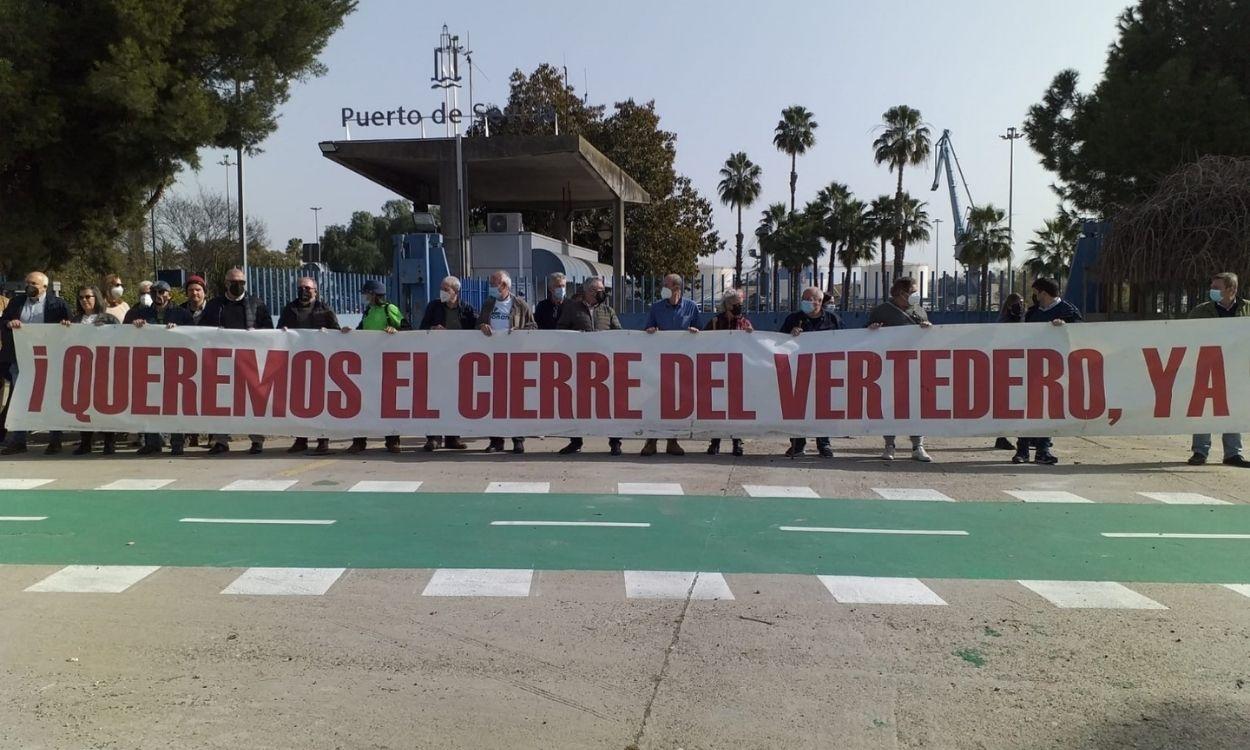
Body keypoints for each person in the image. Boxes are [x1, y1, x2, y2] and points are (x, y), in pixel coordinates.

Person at [199, 267, 273, 455]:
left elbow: (269, 330)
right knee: (220, 402)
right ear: (226, 283)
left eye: (241, 282)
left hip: (250, 363)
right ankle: (221, 441)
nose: (238, 286)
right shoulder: (215, 305)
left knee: (252, 402)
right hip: (220, 363)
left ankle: (257, 440)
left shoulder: (257, 304)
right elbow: (201, 330)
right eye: (234, 282)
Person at [1012, 277, 1083, 466]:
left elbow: (1082, 334)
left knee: (1048, 411)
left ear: (1043, 293)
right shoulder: (1033, 313)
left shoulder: (1068, 312)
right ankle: (1023, 450)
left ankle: (1043, 450)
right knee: (1026, 410)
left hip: (1056, 371)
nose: (1034, 296)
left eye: (1036, 292)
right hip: (1033, 368)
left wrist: (1065, 327)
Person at [1, 271, 71, 455]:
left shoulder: (58, 305)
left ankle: (55, 440)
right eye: (27, 282)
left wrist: (65, 324)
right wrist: (9, 323)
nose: (28, 286)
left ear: (45, 288)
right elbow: (4, 321)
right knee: (20, 399)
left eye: (33, 283)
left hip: (50, 360)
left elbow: (71, 327)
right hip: (21, 359)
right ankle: (18, 440)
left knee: (51, 399)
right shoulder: (16, 302)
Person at [1186, 272, 1250, 467]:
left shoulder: (1247, 309)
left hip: (1238, 367)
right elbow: (1184, 336)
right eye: (1212, 287)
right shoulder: (1200, 312)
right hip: (1206, 365)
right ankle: (1200, 451)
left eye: (1217, 288)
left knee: (1233, 408)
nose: (1212, 291)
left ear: (1232, 290)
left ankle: (1233, 454)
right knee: (1203, 407)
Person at [867, 277, 933, 462]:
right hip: (888, 367)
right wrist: (872, 329)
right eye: (912, 291)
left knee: (916, 405)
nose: (916, 295)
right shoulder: (881, 311)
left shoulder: (919, 310)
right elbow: (865, 336)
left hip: (914, 366)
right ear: (900, 293)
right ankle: (890, 444)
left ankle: (917, 445)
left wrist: (927, 329)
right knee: (889, 405)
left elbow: (927, 338)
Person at [556, 276, 624, 456]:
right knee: (577, 404)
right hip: (579, 365)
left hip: (604, 365)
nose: (602, 292)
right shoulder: (572, 309)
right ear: (589, 292)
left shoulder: (608, 310)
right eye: (598, 290)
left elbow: (619, 333)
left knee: (609, 404)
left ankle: (615, 441)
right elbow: (561, 330)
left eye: (602, 289)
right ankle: (575, 441)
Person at [125, 282, 194, 455]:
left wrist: (180, 331)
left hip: (175, 365)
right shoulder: (140, 313)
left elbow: (194, 335)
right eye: (154, 292)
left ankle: (177, 442)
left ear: (170, 294)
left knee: (175, 405)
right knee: (149, 404)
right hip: (149, 364)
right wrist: (135, 326)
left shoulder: (182, 314)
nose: (158, 295)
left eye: (162, 291)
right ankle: (152, 442)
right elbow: (124, 332)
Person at [278, 277, 344, 455]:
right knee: (299, 403)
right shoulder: (290, 309)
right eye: (300, 288)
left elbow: (336, 332)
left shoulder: (325, 309)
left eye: (307, 288)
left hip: (320, 364)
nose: (304, 291)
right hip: (296, 363)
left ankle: (323, 441)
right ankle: (301, 439)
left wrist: (330, 333)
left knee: (320, 403)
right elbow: (278, 331)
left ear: (315, 290)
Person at [779, 286, 843, 458]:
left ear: (819, 302)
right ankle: (797, 444)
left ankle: (824, 444)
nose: (805, 301)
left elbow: (847, 341)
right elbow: (778, 342)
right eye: (804, 298)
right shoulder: (793, 319)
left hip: (825, 372)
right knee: (798, 409)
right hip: (799, 372)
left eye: (809, 298)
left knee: (823, 409)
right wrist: (789, 336)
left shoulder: (833, 320)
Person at [642, 273, 700, 456]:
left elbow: (702, 333)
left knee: (675, 403)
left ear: (677, 288)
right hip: (659, 364)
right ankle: (651, 441)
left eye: (666, 284)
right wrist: (651, 331)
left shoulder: (691, 308)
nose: (663, 287)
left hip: (682, 364)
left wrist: (695, 332)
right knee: (654, 401)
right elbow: (648, 329)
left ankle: (672, 441)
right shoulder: (657, 308)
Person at [478, 270, 537, 454]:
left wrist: (519, 330)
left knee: (515, 400)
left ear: (504, 285)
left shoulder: (520, 305)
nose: (491, 286)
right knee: (495, 401)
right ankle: (496, 440)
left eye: (494, 283)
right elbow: (477, 324)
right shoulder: (488, 304)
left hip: (515, 359)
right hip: (492, 359)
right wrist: (482, 326)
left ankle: (518, 439)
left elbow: (533, 326)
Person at [347, 279, 408, 454]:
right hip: (368, 362)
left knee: (387, 402)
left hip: (387, 363)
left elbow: (407, 328)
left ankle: (392, 440)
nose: (364, 297)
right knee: (362, 402)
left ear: (374, 295)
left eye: (366, 293)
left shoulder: (390, 309)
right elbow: (361, 330)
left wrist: (395, 331)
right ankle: (359, 440)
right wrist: (348, 333)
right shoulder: (368, 311)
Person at [418, 276, 477, 451]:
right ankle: (433, 437)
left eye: (446, 289)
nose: (442, 292)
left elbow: (474, 332)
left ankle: (453, 437)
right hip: (436, 360)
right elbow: (422, 328)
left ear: (455, 292)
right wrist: (432, 330)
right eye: (441, 288)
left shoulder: (466, 309)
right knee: (434, 398)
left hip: (458, 362)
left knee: (454, 399)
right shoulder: (434, 307)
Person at [60, 286, 121, 455]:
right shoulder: (75, 319)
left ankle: (109, 442)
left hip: (105, 369)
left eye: (88, 296)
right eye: (81, 297)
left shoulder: (110, 319)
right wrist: (65, 328)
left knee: (105, 407)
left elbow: (122, 340)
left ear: (97, 298)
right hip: (82, 369)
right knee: (84, 407)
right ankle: (86, 442)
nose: (84, 300)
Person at [703, 288, 754, 457]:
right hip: (718, 371)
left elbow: (755, 346)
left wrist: (751, 336)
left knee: (736, 409)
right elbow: (701, 343)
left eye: (740, 303)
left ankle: (737, 441)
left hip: (738, 372)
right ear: (727, 305)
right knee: (718, 407)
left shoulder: (745, 324)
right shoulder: (716, 322)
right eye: (735, 304)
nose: (739, 307)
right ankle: (715, 441)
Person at [993, 293, 1026, 450]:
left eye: (1021, 303)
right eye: (1017, 303)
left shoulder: (1023, 318)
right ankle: (1001, 435)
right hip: (1007, 366)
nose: (1020, 306)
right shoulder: (1004, 320)